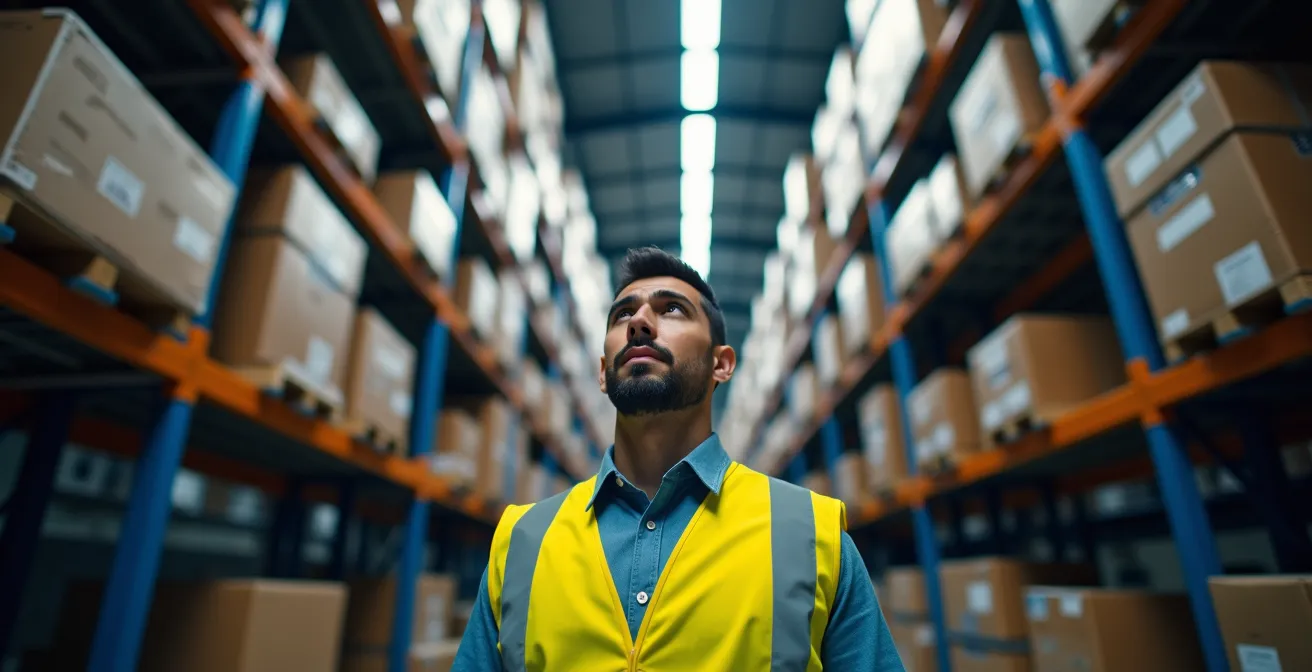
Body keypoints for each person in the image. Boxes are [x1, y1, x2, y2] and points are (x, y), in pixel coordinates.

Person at [453, 246, 904, 671]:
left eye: (672, 309)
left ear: (721, 364)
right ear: (602, 373)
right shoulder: (521, 542)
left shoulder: (811, 534)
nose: (639, 323)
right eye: (623, 314)